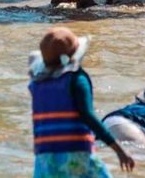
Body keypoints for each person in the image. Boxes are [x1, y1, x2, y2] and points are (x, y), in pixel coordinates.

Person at [28, 28, 135, 177]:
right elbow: (87, 116)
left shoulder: (37, 84)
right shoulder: (76, 79)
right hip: (76, 155)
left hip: (44, 159)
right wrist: (118, 149)